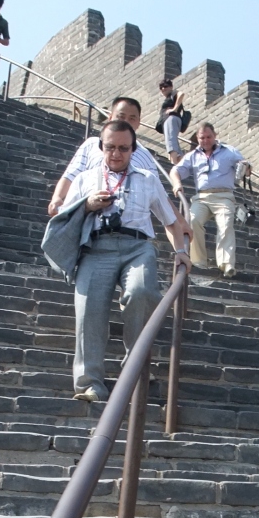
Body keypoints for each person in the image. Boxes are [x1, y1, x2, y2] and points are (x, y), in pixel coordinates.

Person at [59, 119, 191, 402]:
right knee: (89, 310)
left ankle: (134, 370)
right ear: (100, 147)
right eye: (110, 147)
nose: (116, 154)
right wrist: (87, 205)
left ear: (133, 149)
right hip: (95, 248)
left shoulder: (148, 178)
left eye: (123, 148)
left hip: (137, 247)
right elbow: (64, 219)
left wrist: (180, 251)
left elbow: (170, 221)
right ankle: (90, 383)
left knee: (142, 292)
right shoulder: (84, 179)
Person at [48, 97, 159, 217]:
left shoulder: (145, 156)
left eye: (132, 118)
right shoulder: (91, 144)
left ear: (138, 123)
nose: (125, 122)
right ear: (110, 117)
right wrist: (57, 197)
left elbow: (158, 193)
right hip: (88, 216)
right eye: (121, 116)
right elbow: (71, 174)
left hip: (129, 222)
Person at [169, 122, 251, 278]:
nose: (205, 140)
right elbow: (175, 170)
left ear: (215, 136)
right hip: (202, 197)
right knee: (193, 220)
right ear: (197, 138)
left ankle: (226, 263)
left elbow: (245, 168)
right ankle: (199, 261)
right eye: (202, 138)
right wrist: (177, 183)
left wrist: (246, 167)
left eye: (209, 137)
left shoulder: (229, 151)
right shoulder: (192, 156)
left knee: (225, 224)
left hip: (224, 196)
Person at [156, 78, 187, 165]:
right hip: (171, 120)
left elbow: (181, 94)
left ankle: (173, 162)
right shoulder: (169, 97)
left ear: (171, 87)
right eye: (161, 87)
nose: (163, 89)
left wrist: (174, 109)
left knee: (170, 140)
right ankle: (181, 162)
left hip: (171, 119)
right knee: (173, 140)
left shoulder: (173, 93)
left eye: (165, 86)